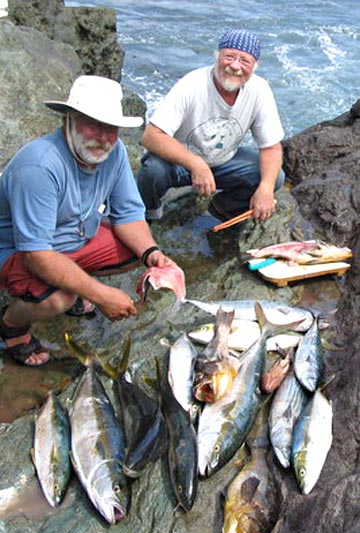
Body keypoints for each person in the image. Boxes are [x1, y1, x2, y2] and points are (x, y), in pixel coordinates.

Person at [0, 75, 178, 367]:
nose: (104, 137)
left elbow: (129, 214)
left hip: (71, 239)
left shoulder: (115, 151)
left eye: (112, 128)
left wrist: (152, 253)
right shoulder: (39, 167)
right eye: (94, 124)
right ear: (69, 119)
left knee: (136, 252)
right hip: (18, 251)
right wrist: (101, 294)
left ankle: (71, 282)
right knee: (60, 299)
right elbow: (36, 255)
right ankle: (12, 325)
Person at [137, 28, 285, 224]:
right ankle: (150, 212)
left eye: (244, 61)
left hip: (223, 162)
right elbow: (151, 136)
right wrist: (196, 164)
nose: (234, 66)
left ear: (254, 66)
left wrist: (265, 190)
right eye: (229, 56)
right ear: (217, 56)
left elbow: (272, 147)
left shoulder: (259, 90)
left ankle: (221, 208)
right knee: (152, 170)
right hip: (180, 164)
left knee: (275, 178)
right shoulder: (192, 84)